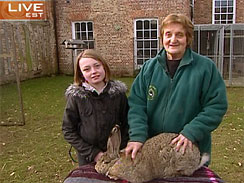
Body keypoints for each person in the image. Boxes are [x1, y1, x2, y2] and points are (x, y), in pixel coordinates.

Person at [125, 14, 228, 164]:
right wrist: (137, 136)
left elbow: (216, 105)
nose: (173, 40)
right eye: (168, 34)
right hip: (153, 151)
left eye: (179, 35)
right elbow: (136, 105)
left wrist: (191, 132)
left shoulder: (205, 68)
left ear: (188, 39)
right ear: (162, 38)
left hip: (189, 149)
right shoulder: (149, 68)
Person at [62, 49, 129, 166]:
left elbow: (127, 123)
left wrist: (120, 148)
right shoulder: (76, 98)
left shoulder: (118, 94)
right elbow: (68, 130)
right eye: (87, 69)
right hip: (87, 158)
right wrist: (93, 153)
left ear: (104, 66)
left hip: (117, 155)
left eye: (97, 66)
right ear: (81, 73)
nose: (94, 71)